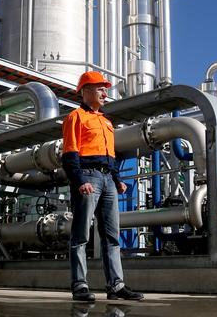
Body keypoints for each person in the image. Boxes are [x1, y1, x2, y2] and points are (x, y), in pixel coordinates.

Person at [62, 71, 144, 302]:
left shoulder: (106, 121)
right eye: (100, 88)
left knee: (112, 236)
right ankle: (79, 285)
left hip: (108, 179)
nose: (105, 92)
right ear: (86, 90)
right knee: (80, 233)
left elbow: (110, 155)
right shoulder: (75, 117)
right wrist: (79, 181)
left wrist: (117, 180)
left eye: (105, 88)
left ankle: (116, 286)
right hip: (88, 177)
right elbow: (69, 154)